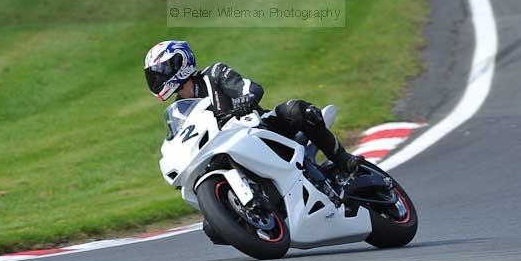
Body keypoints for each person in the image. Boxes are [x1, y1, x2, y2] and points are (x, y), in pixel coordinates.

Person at [144, 39, 362, 174]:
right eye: (152, 76)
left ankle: (343, 160)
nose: (156, 81)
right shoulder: (180, 108)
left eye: (158, 73)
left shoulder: (215, 73)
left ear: (178, 65)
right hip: (225, 151)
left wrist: (246, 99)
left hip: (260, 129)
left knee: (296, 110)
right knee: (212, 229)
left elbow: (250, 87)